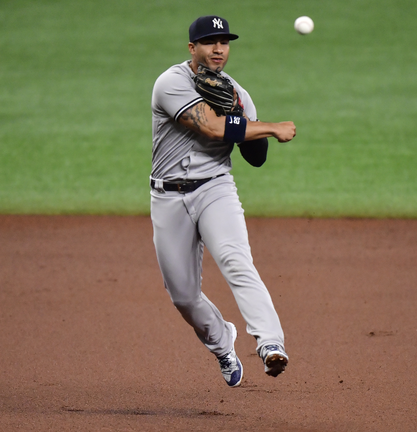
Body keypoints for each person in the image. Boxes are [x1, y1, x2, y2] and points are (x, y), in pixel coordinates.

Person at [149, 15, 296, 388]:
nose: (218, 49)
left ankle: (270, 343)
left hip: (215, 188)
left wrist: (241, 114)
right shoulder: (171, 83)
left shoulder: (237, 92)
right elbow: (212, 128)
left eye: (224, 42)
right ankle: (222, 342)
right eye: (210, 42)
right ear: (192, 48)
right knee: (183, 295)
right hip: (168, 195)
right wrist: (271, 126)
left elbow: (256, 157)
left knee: (236, 260)